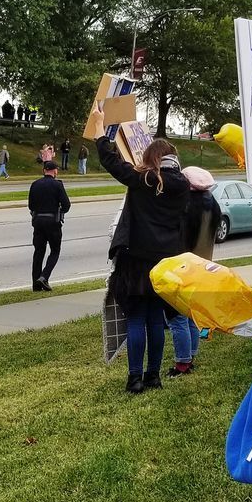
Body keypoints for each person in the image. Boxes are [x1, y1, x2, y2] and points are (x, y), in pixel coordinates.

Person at [89, 102, 189, 394]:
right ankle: (153, 376)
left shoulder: (145, 180)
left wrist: (99, 132)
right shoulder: (181, 184)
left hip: (135, 261)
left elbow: (114, 164)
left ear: (150, 158)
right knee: (156, 320)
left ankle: (134, 379)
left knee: (136, 319)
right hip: (164, 263)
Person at [166, 166, 223, 376]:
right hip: (203, 268)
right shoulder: (212, 205)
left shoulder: (185, 207)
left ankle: (182, 362)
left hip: (184, 268)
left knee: (177, 317)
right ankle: (190, 356)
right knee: (191, 315)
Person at [28, 161, 70, 291]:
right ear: (55, 171)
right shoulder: (57, 185)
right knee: (55, 250)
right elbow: (66, 205)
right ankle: (44, 277)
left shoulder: (35, 184)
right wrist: (60, 211)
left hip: (38, 222)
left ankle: (36, 285)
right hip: (52, 222)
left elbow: (31, 206)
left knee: (38, 252)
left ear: (44, 170)